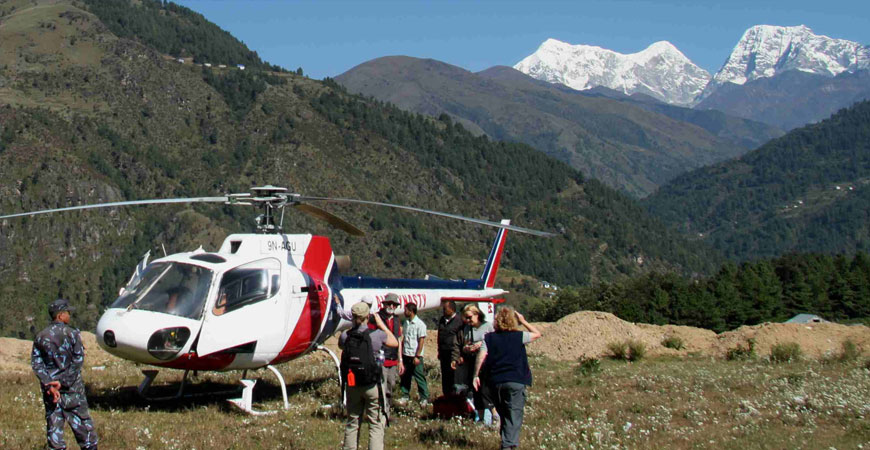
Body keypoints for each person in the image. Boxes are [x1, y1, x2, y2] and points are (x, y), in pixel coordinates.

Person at [31, 298, 99, 450]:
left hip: (51, 392)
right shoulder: (72, 334)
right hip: (72, 390)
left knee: (54, 426)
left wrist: (49, 384)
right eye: (68, 312)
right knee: (83, 426)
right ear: (60, 315)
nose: (69, 315)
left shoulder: (41, 336)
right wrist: (64, 382)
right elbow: (78, 360)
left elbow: (37, 363)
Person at [473, 306, 542, 450]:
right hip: (516, 380)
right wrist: (523, 321)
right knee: (514, 415)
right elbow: (537, 334)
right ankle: (508, 445)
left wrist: (476, 375)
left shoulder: (489, 338)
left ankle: (506, 443)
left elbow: (481, 355)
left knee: (504, 414)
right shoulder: (519, 336)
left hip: (496, 382)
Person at [339, 302, 398, 450]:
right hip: (373, 385)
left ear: (352, 316)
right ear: (368, 316)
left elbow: (341, 346)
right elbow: (394, 342)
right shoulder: (377, 335)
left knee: (352, 422)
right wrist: (380, 323)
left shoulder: (346, 336)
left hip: (353, 384)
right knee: (376, 424)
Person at [453, 303, 496, 425]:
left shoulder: (488, 326)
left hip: (486, 363)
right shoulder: (467, 329)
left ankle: (492, 417)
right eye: (466, 318)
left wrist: (481, 345)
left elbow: (494, 343)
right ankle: (480, 418)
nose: (467, 320)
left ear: (477, 314)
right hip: (472, 362)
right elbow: (464, 344)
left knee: (485, 391)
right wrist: (466, 348)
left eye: (469, 317)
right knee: (475, 391)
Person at [371, 294, 403, 410]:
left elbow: (398, 339)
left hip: (393, 359)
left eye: (394, 304)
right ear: (384, 304)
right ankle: (380, 411)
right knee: (381, 386)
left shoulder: (396, 319)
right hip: (381, 358)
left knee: (391, 386)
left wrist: (400, 360)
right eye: (389, 304)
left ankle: (387, 411)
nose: (391, 306)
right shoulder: (376, 318)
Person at [398, 302, 429, 405]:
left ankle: (424, 397)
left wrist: (417, 356)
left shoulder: (420, 325)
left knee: (419, 377)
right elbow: (404, 338)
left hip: (415, 356)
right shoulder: (406, 323)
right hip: (406, 354)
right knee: (405, 376)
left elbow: (421, 341)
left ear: (411, 311)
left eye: (405, 310)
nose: (404, 312)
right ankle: (405, 395)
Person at [436, 300, 463, 396]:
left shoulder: (459, 321)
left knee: (454, 378)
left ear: (451, 309)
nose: (443, 311)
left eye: (445, 309)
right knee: (445, 378)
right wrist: (439, 350)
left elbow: (460, 338)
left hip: (454, 354)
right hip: (444, 354)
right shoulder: (442, 320)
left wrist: (458, 355)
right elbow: (440, 336)